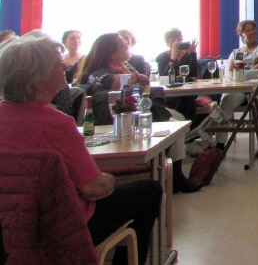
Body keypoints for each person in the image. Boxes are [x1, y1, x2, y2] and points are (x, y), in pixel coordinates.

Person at [0, 32, 162, 265]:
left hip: (10, 229)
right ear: (36, 80)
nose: (66, 67)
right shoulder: (57, 124)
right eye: (58, 64)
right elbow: (94, 189)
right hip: (60, 228)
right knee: (149, 190)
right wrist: (110, 178)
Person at [79, 32, 202, 193]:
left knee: (178, 119)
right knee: (175, 125)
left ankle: (171, 170)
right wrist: (136, 77)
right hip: (117, 122)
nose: (127, 46)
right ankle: (173, 174)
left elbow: (144, 87)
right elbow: (116, 83)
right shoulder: (98, 72)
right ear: (111, 52)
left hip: (138, 113)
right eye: (123, 45)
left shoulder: (125, 66)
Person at [215, 20, 258, 148]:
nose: (252, 32)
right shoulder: (236, 52)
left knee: (257, 97)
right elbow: (229, 71)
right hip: (241, 89)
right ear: (241, 35)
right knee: (226, 99)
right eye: (248, 30)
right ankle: (220, 144)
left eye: (253, 29)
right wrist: (236, 78)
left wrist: (243, 75)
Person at [155, 28, 198, 121]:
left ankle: (189, 125)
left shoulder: (187, 56)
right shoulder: (162, 57)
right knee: (181, 100)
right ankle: (184, 124)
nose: (177, 43)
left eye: (179, 40)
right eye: (173, 40)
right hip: (170, 92)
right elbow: (164, 77)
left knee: (186, 98)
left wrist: (193, 54)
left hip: (187, 90)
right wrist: (173, 58)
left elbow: (193, 75)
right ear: (167, 43)